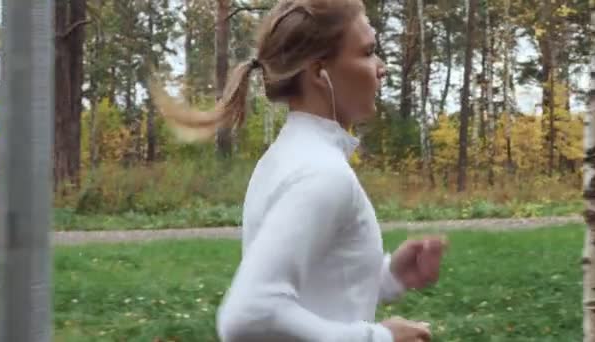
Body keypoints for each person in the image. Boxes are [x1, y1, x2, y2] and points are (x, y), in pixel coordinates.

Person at [149, 0, 448, 340]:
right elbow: (250, 313)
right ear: (320, 72)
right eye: (367, 52)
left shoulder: (288, 157)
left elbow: (312, 290)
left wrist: (389, 276)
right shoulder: (321, 173)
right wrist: (379, 338)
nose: (381, 68)